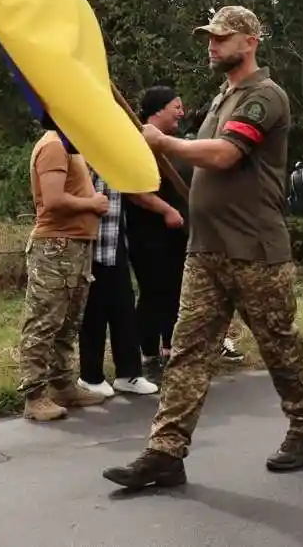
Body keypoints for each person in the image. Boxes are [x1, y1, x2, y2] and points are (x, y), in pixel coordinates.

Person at [103, 5, 303, 489]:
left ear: (250, 42)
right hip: (206, 249)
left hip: (254, 250)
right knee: (188, 351)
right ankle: (165, 452)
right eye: (209, 36)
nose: (212, 44)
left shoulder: (264, 96)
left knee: (279, 346)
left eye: (222, 37)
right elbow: (204, 160)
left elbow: (226, 154)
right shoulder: (224, 96)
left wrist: (164, 142)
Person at [18, 124, 113, 422]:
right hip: (54, 248)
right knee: (44, 322)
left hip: (74, 247)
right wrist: (93, 203)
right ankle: (34, 397)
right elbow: (53, 200)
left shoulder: (69, 146)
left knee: (67, 322)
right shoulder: (53, 146)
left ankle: (63, 386)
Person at [125, 86, 191, 383]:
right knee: (155, 292)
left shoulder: (171, 143)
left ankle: (169, 348)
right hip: (149, 234)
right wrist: (166, 210)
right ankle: (147, 355)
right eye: (176, 106)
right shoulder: (139, 141)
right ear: (158, 109)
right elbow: (135, 189)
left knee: (176, 291)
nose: (182, 112)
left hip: (178, 234)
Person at [77, 172, 158, 398]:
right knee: (94, 314)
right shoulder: (82, 159)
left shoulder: (114, 159)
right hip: (90, 246)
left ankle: (129, 375)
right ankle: (90, 377)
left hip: (115, 243)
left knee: (124, 310)